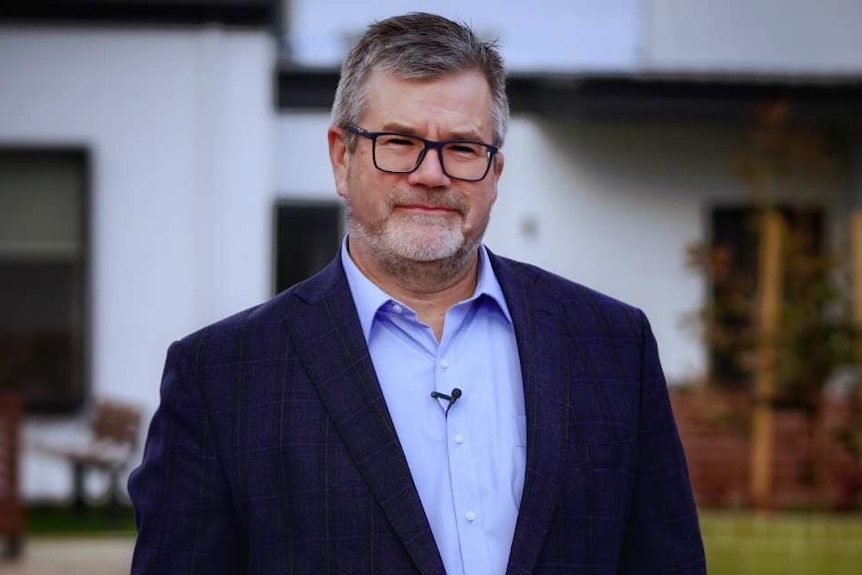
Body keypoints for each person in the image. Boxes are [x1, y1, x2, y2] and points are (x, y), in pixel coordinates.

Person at [129, 12, 705, 575]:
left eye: (461, 147)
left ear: (495, 172)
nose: (432, 174)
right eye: (399, 141)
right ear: (341, 156)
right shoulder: (223, 377)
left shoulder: (610, 346)